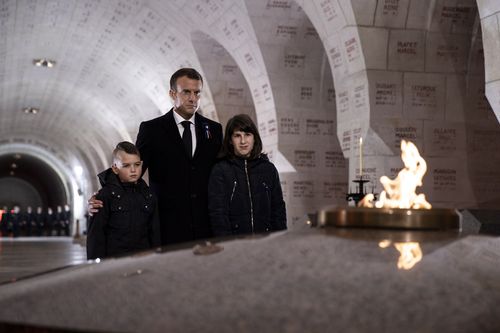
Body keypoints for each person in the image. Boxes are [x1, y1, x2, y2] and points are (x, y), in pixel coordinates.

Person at [89, 68, 222, 246]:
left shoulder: (213, 129)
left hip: (205, 225)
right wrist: (101, 197)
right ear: (172, 93)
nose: (192, 98)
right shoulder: (152, 130)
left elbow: (223, 172)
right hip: (166, 224)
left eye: (197, 93)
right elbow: (132, 169)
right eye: (186, 92)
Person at [208, 114, 287, 236]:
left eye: (247, 135)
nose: (243, 141)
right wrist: (227, 247)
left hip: (266, 245)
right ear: (230, 140)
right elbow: (218, 215)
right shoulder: (220, 171)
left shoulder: (268, 169)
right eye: (237, 136)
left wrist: (277, 242)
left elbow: (278, 211)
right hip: (234, 247)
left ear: (254, 137)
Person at [86, 141, 160, 260]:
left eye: (137, 164)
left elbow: (155, 234)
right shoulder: (104, 196)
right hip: (115, 263)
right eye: (126, 165)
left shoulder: (149, 196)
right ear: (115, 168)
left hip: (143, 261)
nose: (133, 170)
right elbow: (96, 237)